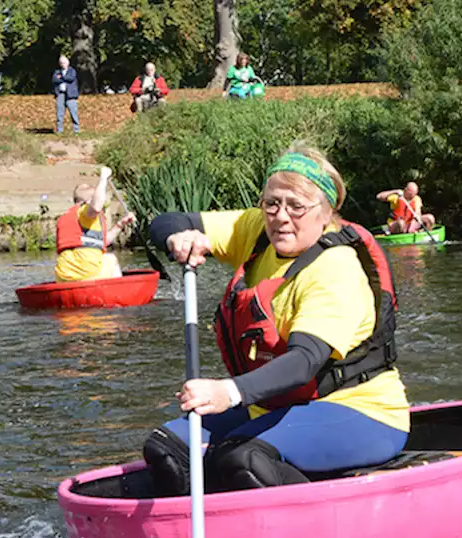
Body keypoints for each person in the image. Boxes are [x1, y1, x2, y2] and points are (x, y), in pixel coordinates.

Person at [142, 145, 409, 495]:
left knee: (243, 459)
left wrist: (229, 392)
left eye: (297, 206)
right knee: (167, 449)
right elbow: (168, 221)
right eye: (272, 203)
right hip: (279, 407)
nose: (281, 216)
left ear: (326, 212)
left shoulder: (335, 269)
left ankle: (314, 522)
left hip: (361, 413)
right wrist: (179, 236)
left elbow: (302, 364)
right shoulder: (259, 230)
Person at [54, 167, 135, 283]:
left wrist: (120, 225)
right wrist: (103, 179)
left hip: (63, 277)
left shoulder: (66, 217)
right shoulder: (85, 210)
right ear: (90, 200)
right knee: (111, 258)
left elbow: (100, 242)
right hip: (88, 273)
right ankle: (118, 291)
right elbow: (96, 206)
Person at [52, 55, 79, 134]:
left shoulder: (72, 71)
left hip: (70, 94)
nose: (62, 64)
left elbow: (71, 78)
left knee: (73, 112)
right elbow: (54, 79)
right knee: (59, 112)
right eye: (61, 63)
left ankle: (76, 130)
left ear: (68, 63)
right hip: (60, 94)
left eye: (64, 63)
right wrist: (63, 78)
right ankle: (59, 130)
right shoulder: (57, 72)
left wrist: (61, 77)